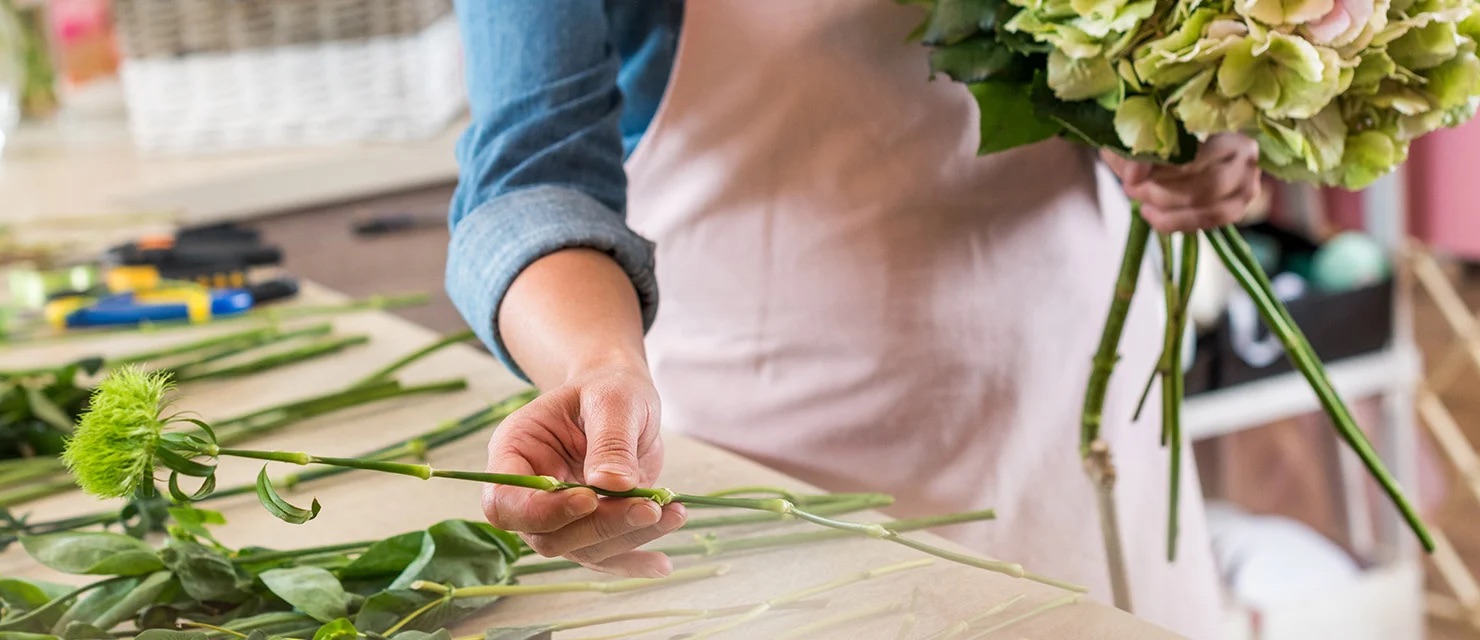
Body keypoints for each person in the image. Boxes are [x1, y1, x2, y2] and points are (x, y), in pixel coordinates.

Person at [444, 2, 1261, 638]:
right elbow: (531, 171)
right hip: (789, 481)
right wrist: (598, 367)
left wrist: (1194, 133)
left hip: (1085, 423)